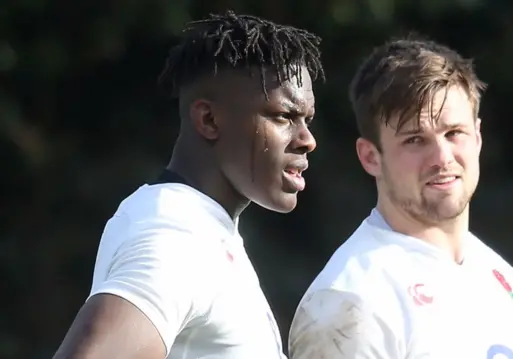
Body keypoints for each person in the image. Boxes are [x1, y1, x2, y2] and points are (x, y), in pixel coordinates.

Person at [53, 11, 324, 359]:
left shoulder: (203, 228)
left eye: (308, 119)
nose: (307, 139)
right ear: (209, 119)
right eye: (284, 116)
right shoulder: (177, 235)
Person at [288, 36, 513, 359]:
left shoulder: (504, 280)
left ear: (477, 137)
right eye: (415, 140)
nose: (442, 157)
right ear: (370, 157)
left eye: (454, 134)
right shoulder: (350, 301)